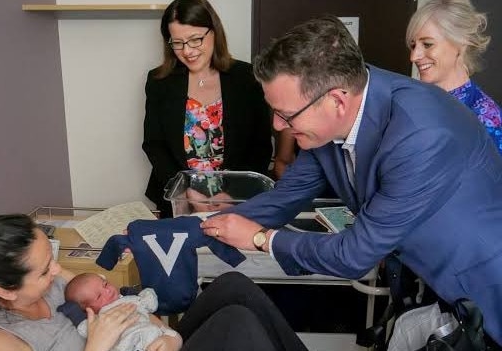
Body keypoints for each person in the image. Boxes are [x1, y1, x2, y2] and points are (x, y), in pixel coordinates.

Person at [200, 15, 502, 346]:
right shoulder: (328, 114)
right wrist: (196, 229)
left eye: (286, 114)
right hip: (437, 284)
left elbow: (355, 254)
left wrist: (261, 239)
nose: (277, 125)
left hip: (488, 286)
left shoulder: (421, 134)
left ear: (338, 101)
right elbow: (284, 198)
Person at [0, 208, 310, 351]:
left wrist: (162, 335)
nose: (57, 271)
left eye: (51, 260)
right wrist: (97, 346)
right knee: (238, 324)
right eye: (44, 271)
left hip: (146, 343)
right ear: (5, 289)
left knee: (232, 286)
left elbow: (117, 300)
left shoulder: (50, 283)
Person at [142, 0, 273, 218]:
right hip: (179, 202)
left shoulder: (246, 77)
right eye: (177, 43)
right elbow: (154, 145)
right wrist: (184, 191)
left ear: (214, 32)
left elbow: (260, 146)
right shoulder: (159, 81)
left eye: (195, 40)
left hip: (237, 202)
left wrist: (232, 194)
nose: (187, 51)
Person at [407, 0, 502, 155]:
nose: (413, 56)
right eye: (413, 46)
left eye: (427, 44)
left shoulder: (485, 119)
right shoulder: (411, 100)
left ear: (461, 43)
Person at [60, 273, 176, 351]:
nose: (108, 291)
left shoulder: (127, 299)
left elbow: (149, 303)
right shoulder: (97, 320)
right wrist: (74, 313)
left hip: (157, 337)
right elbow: (84, 328)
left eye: (105, 284)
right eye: (99, 296)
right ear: (87, 310)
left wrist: (139, 294)